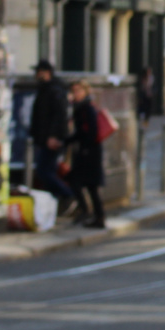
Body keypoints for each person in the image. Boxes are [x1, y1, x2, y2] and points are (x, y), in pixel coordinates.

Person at [28, 59, 75, 217]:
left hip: (51, 139)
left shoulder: (54, 90)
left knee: (44, 171)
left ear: (46, 72)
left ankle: (68, 194)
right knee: (48, 170)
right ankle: (55, 202)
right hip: (45, 138)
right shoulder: (47, 89)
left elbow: (59, 115)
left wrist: (54, 136)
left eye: (38, 71)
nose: (36, 75)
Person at [66, 80, 106, 228]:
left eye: (78, 91)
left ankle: (91, 214)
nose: (75, 94)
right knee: (90, 185)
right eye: (73, 91)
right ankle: (95, 215)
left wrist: (80, 145)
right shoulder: (81, 107)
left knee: (87, 184)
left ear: (85, 91)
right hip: (87, 150)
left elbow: (89, 131)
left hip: (89, 152)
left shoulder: (86, 108)